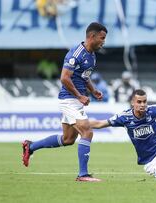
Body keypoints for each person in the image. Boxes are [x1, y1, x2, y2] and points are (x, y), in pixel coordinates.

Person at [21, 22, 108, 182]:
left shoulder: (92, 56)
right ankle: (83, 175)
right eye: (102, 38)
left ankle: (30, 146)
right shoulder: (76, 54)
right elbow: (64, 78)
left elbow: (84, 76)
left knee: (68, 139)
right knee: (87, 132)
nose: (103, 42)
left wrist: (93, 90)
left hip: (75, 100)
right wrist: (79, 96)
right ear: (92, 36)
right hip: (69, 99)